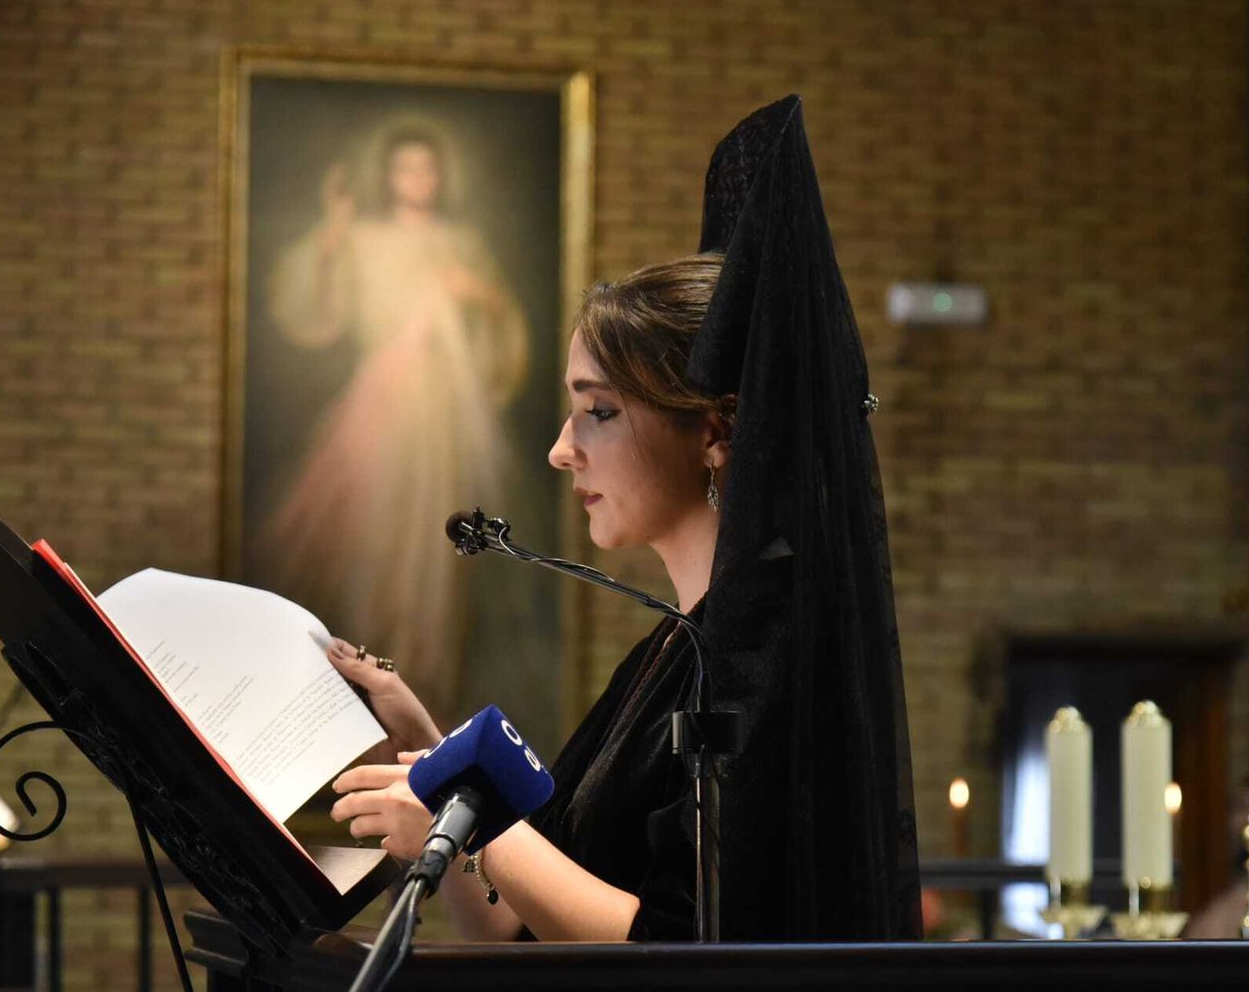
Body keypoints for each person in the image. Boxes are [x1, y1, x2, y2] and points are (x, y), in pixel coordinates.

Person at [323, 96, 923, 941]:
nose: (562, 451)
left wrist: (481, 836)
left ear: (714, 431)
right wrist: (420, 741)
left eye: (597, 411)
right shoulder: (676, 646)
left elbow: (677, 949)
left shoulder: (772, 650)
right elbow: (512, 926)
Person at [260, 126, 529, 717]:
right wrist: (333, 228)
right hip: (382, 400)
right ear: (389, 175)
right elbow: (314, 310)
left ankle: (423, 679)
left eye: (427, 170)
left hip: (441, 413)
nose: (417, 181)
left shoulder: (461, 241)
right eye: (406, 170)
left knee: (432, 549)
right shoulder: (364, 237)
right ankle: (362, 683)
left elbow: (500, 323)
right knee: (372, 539)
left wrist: (474, 293)